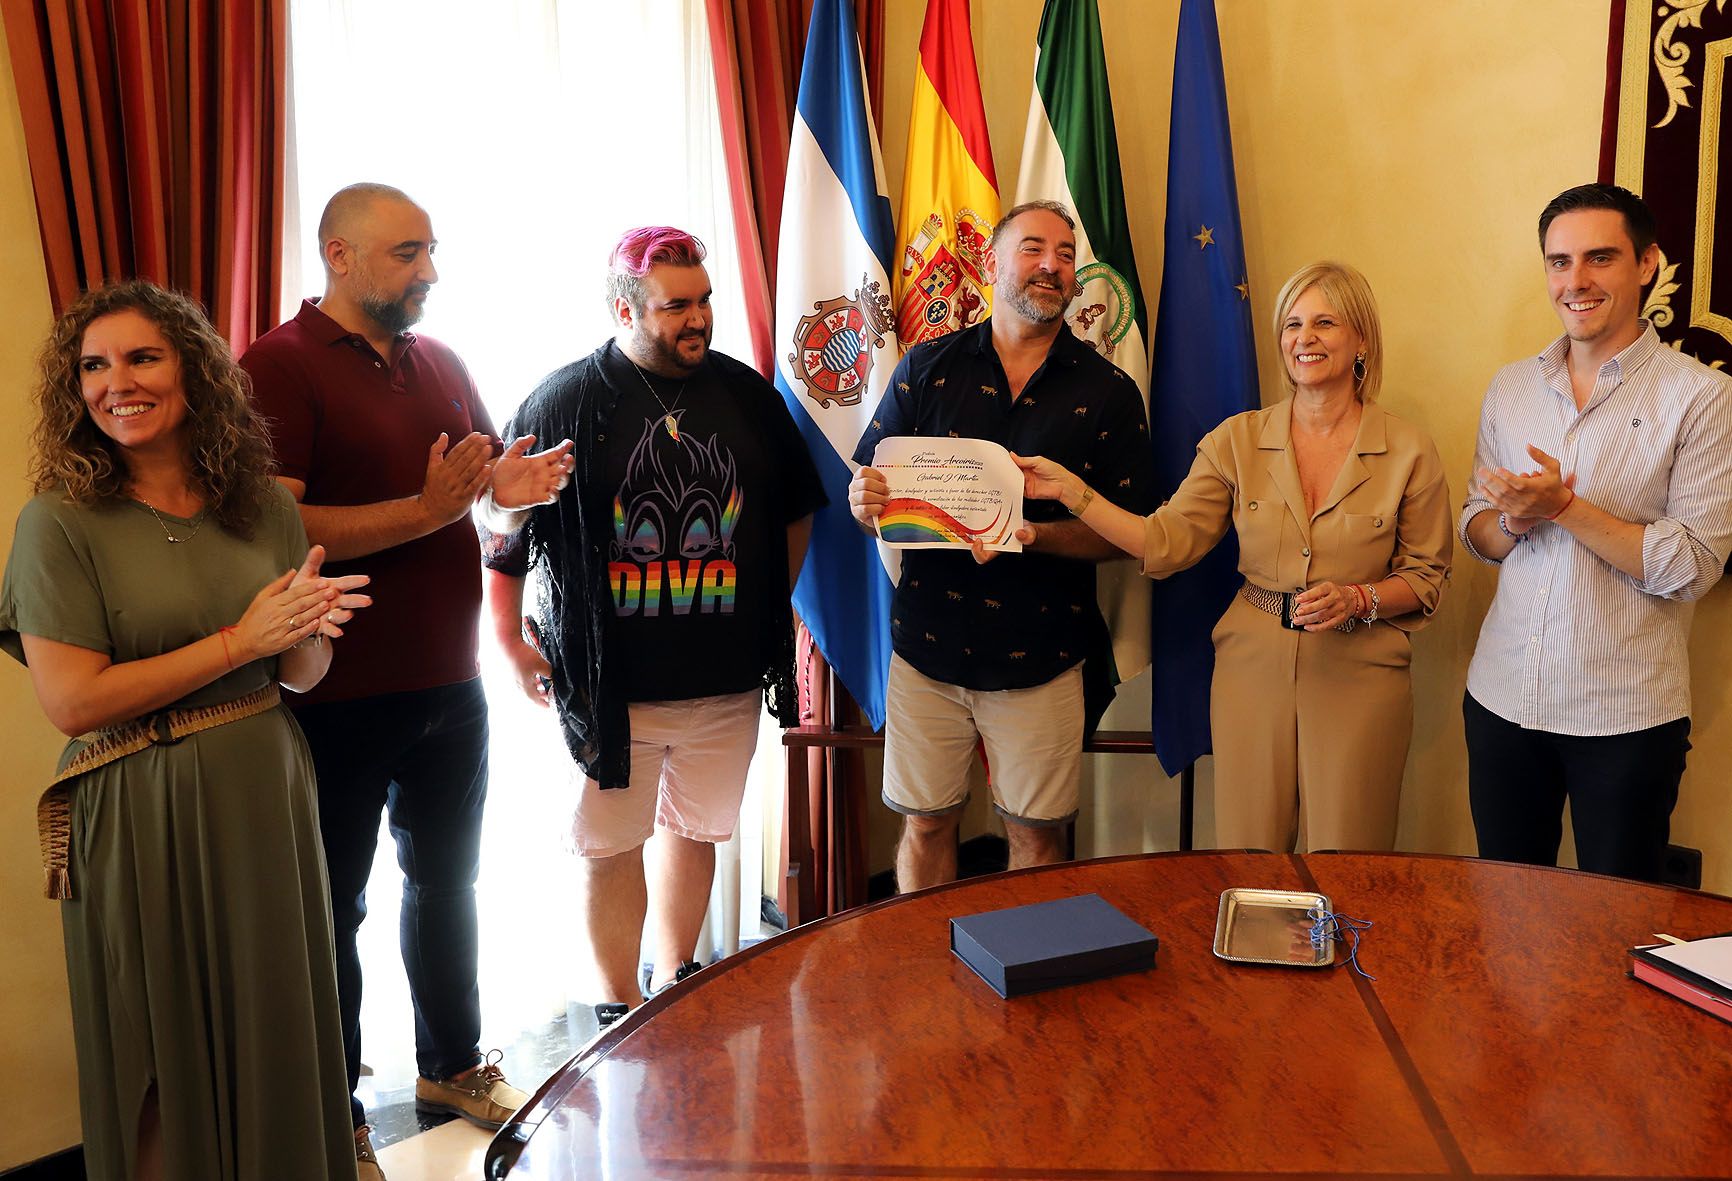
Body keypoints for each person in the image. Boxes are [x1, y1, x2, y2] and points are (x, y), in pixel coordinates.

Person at [0, 280, 372, 1179]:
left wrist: (309, 630)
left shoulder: (261, 504)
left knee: (276, 1028)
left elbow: (293, 676)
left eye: (141, 357)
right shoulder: (59, 523)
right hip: (139, 808)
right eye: (93, 365)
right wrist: (239, 639)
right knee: (160, 1051)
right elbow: (75, 701)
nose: (114, 382)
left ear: (194, 371)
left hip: (265, 794)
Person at [240, 183, 572, 1168]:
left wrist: (501, 495)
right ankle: (333, 1108)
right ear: (338, 256)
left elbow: (469, 497)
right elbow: (275, 522)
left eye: (429, 250)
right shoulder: (277, 364)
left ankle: (452, 1063)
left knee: (449, 883)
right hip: (332, 691)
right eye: (406, 253)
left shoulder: (441, 361)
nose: (429, 270)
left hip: (447, 683)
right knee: (334, 904)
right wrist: (430, 511)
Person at [480, 227, 825, 1028]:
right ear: (624, 307)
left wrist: (767, 606)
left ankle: (673, 980)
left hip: (723, 674)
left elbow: (795, 511)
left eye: (705, 300)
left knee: (696, 828)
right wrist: (505, 636)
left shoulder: (746, 395)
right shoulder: (564, 400)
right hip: (610, 682)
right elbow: (504, 531)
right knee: (609, 843)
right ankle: (617, 1003)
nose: (698, 318)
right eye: (677, 306)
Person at [1015, 261, 1452, 853]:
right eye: (1292, 324)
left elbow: (1427, 578)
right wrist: (1074, 492)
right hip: (1251, 667)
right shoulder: (1236, 440)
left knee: (1351, 862)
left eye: (1325, 322)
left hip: (1362, 672)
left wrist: (1360, 598)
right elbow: (1163, 543)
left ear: (1362, 339)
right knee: (1250, 859)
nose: (1305, 338)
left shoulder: (1408, 448)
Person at [848, 200, 1153, 891]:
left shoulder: (1108, 392)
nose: (1052, 265)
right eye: (1033, 248)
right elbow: (873, 491)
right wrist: (863, 503)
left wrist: (1038, 535)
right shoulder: (925, 369)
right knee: (924, 823)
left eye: (1066, 254)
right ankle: (926, 984)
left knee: (1037, 836)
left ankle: (1024, 990)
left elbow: (1132, 531)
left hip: (1041, 656)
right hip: (928, 650)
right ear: (992, 264)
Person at [1459, 183, 1732, 882]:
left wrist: (1563, 508)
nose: (1574, 281)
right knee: (1507, 914)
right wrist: (1513, 522)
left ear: (1648, 264)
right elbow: (1476, 529)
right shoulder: (1510, 387)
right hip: (1502, 700)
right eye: (1558, 261)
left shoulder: (1702, 397)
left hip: (1625, 717)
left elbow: (1695, 564)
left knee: (1615, 931)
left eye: (1598, 258)